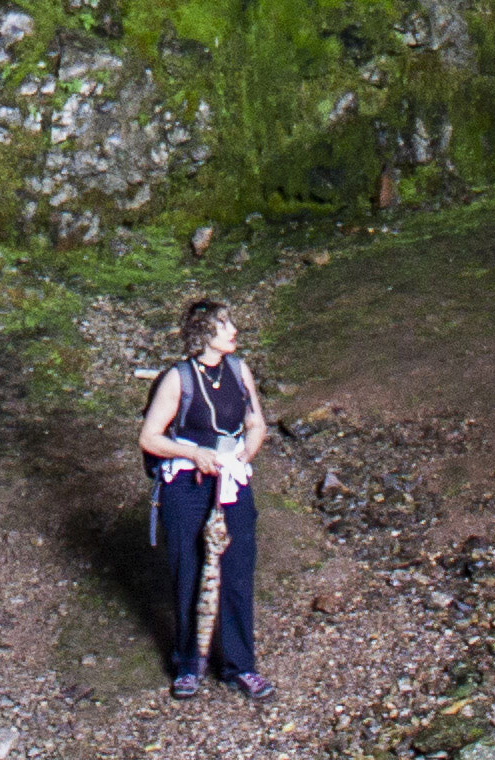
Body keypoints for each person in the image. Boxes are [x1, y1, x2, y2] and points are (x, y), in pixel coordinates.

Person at [134, 298, 274, 703]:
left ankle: (240, 665)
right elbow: (150, 438)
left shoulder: (238, 370)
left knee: (236, 569)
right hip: (187, 485)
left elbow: (255, 423)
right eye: (224, 324)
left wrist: (244, 454)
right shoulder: (178, 379)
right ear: (204, 334)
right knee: (189, 569)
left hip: (230, 480)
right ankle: (188, 664)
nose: (233, 330)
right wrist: (194, 454)